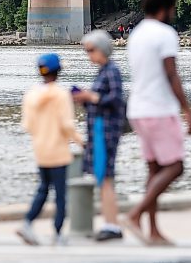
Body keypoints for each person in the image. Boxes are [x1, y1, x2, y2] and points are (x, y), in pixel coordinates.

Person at [125, 0, 191, 245]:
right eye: (173, 9)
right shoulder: (166, 34)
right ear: (165, 9)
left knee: (153, 171)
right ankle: (135, 215)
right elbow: (171, 73)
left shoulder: (137, 34)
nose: (174, 13)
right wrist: (187, 110)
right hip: (159, 109)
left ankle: (153, 231)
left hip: (137, 110)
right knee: (175, 166)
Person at [18, 53, 83, 246]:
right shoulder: (61, 95)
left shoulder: (31, 95)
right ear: (58, 72)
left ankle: (28, 222)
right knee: (61, 194)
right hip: (59, 151)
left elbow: (27, 125)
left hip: (41, 150)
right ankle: (57, 232)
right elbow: (67, 125)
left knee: (43, 189)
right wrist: (81, 141)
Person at [73, 30, 125, 242]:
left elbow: (115, 99)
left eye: (91, 50)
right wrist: (84, 98)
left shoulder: (111, 71)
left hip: (106, 130)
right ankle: (110, 223)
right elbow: (101, 99)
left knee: (105, 177)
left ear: (102, 49)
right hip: (98, 129)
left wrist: (90, 96)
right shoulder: (104, 71)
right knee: (103, 177)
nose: (89, 55)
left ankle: (112, 225)